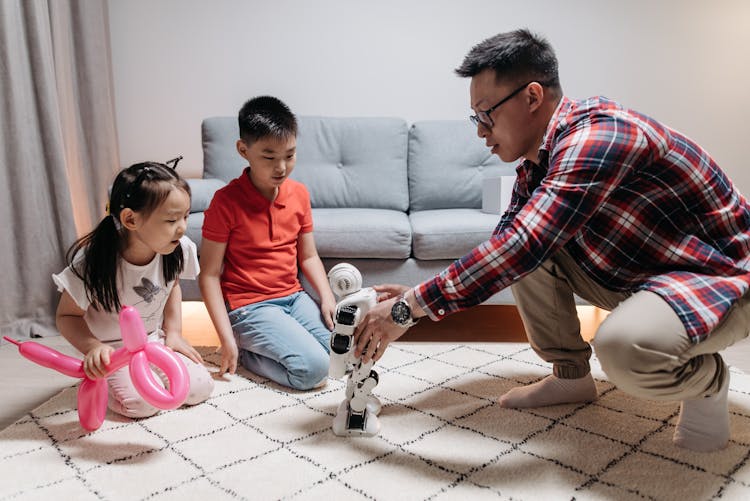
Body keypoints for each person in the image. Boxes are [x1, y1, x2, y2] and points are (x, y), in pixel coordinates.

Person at [352, 29, 750, 452]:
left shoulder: (597, 137)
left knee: (623, 347)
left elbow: (522, 244)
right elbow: (505, 246)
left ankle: (707, 382)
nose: (480, 132)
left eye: (486, 114)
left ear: (532, 97)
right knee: (524, 251)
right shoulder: (539, 160)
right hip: (647, 279)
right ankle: (571, 378)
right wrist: (419, 294)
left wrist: (405, 311)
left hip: (721, 282)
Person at [54, 162, 214, 419]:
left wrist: (173, 333)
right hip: (110, 350)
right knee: (141, 405)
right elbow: (66, 316)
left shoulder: (177, 248)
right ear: (130, 219)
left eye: (185, 216)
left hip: (153, 341)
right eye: (172, 220)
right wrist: (93, 348)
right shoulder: (93, 263)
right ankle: (101, 380)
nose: (183, 227)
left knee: (199, 388)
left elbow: (172, 287)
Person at [199, 96, 335, 391]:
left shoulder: (299, 194)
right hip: (250, 307)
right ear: (243, 150)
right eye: (269, 157)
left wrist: (326, 297)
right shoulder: (225, 203)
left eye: (290, 155)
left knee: (345, 356)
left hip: (294, 298)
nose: (282, 167)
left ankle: (275, 342)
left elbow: (308, 256)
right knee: (313, 371)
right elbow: (209, 274)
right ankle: (247, 353)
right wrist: (225, 338)